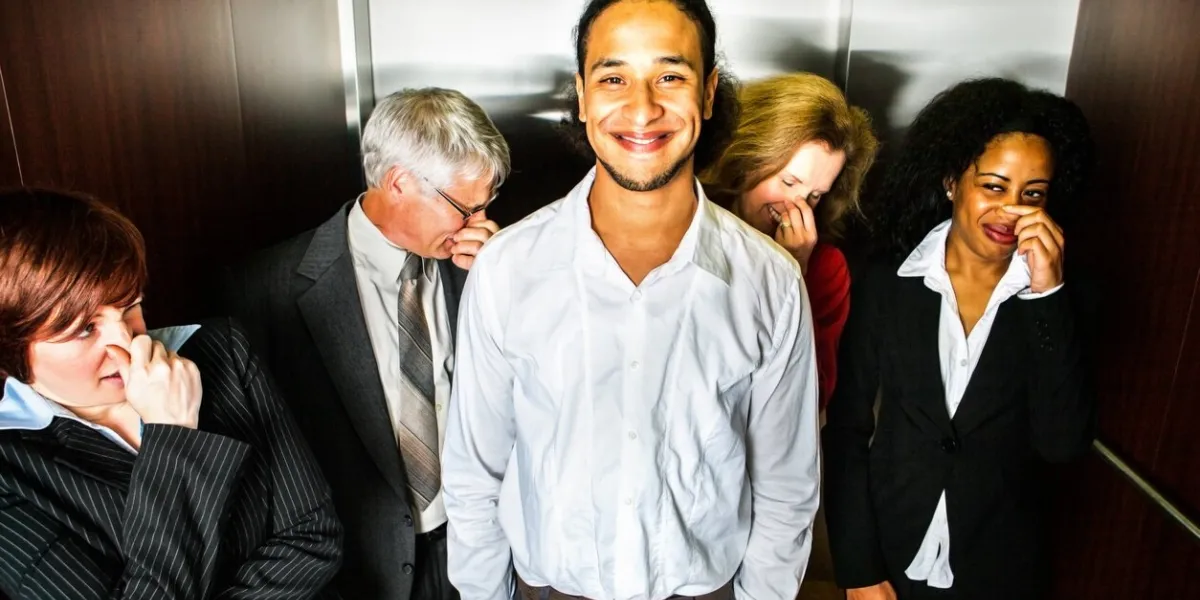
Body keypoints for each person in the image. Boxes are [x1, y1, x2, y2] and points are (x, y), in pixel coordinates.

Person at [441, 1, 821, 599]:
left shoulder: (770, 281)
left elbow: (786, 487)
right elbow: (474, 474)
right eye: (613, 78)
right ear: (582, 96)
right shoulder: (507, 269)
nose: (642, 109)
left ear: (709, 93)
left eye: (670, 76)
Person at [217, 88, 510, 600]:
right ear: (398, 183)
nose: (479, 223)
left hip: (478, 550)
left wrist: (507, 283)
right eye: (466, 208)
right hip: (357, 571)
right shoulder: (265, 291)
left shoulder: (488, 265)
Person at [822, 78, 1097, 600]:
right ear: (952, 181)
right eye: (994, 187)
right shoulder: (887, 281)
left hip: (999, 571)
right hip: (890, 557)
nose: (1011, 211)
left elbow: (1062, 445)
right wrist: (859, 570)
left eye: (1032, 194)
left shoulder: (1060, 300)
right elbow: (847, 431)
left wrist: (1047, 296)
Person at [0, 189, 341, 599]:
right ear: (11, 346)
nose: (126, 341)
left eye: (130, 307)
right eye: (85, 329)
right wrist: (172, 433)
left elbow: (314, 534)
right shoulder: (10, 471)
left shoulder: (221, 351)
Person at [702, 72, 878, 410]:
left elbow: (810, 394)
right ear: (748, 158)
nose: (797, 207)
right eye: (788, 182)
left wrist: (790, 273)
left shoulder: (825, 269)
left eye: (814, 195)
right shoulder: (690, 228)